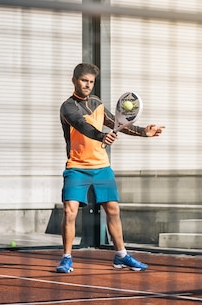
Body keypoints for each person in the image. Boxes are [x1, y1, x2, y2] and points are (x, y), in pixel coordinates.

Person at [56, 63, 164, 273]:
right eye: (83, 80)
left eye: (91, 82)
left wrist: (143, 132)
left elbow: (116, 122)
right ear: (74, 81)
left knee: (113, 210)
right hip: (77, 166)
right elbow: (82, 125)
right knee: (70, 211)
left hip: (102, 166)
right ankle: (66, 258)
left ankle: (121, 255)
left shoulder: (96, 103)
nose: (87, 85)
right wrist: (101, 135)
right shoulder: (67, 107)